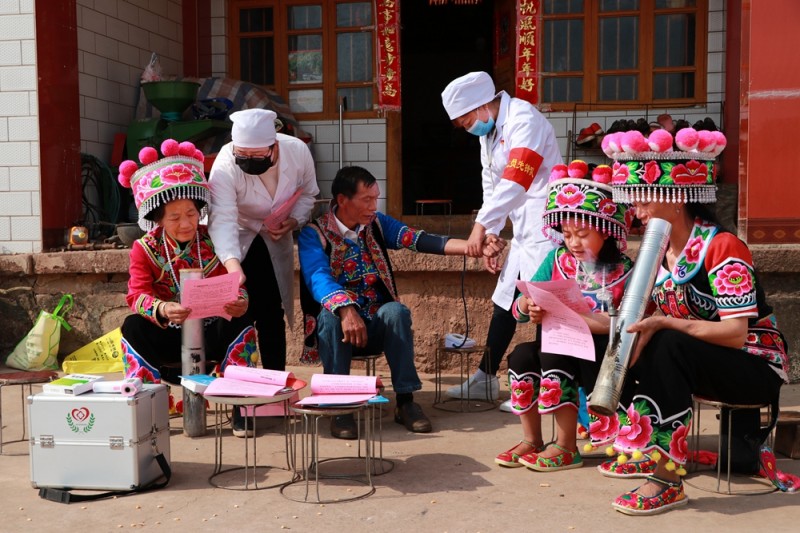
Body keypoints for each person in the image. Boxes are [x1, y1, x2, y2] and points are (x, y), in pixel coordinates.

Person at [600, 128, 789, 515]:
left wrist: (667, 324)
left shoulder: (723, 247)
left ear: (676, 197)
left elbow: (736, 334)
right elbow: (643, 318)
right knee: (639, 341)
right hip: (703, 356)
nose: (636, 210)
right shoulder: (658, 252)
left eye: (643, 199)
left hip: (753, 364)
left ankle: (668, 479)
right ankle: (645, 445)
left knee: (666, 341)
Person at [298, 166, 506, 439]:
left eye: (376, 199)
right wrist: (346, 309)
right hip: (339, 330)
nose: (374, 206)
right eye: (367, 200)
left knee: (396, 311)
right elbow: (318, 277)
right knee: (329, 316)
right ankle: (340, 407)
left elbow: (420, 240)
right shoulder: (313, 234)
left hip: (376, 326)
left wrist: (474, 246)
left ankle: (406, 402)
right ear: (341, 200)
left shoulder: (378, 225)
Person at [495, 161, 634, 470]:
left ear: (607, 231)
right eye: (567, 234)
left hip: (604, 353)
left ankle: (566, 445)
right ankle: (533, 439)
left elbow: (626, 324)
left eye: (582, 234)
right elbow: (524, 300)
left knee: (553, 351)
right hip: (560, 343)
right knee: (520, 357)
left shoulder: (626, 270)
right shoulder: (556, 258)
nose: (573, 242)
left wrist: (573, 318)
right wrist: (528, 307)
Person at [117, 139, 258, 436]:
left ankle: (241, 406)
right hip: (169, 331)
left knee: (243, 319)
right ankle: (149, 410)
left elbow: (235, 284)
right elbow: (136, 295)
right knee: (132, 327)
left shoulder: (212, 240)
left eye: (192, 214)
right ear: (158, 219)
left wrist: (239, 301)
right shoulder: (144, 249)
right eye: (175, 217)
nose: (185, 224)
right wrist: (163, 308)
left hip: (210, 330)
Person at [440, 71, 562, 407]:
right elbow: (491, 184)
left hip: (547, 226)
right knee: (505, 301)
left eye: (467, 121)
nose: (468, 129)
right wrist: (493, 233)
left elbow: (516, 179)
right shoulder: (489, 133)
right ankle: (485, 377)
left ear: (482, 106)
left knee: (544, 305)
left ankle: (545, 387)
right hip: (523, 229)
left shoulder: (524, 119)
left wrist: (481, 227)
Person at [208, 108, 320, 371]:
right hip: (238, 236)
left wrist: (294, 220)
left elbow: (308, 194)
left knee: (271, 312)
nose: (249, 160)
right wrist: (233, 266)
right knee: (239, 313)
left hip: (275, 234)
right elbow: (221, 217)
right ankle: (240, 380)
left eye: (257, 155)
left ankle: (275, 380)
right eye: (243, 155)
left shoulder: (297, 152)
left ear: (274, 145)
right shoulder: (225, 162)